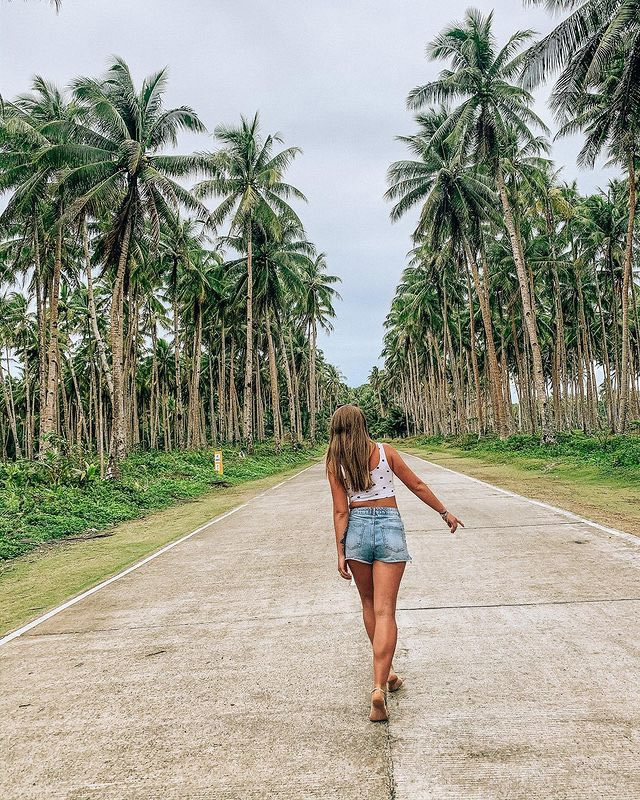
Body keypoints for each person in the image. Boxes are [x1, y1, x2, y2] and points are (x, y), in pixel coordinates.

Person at [326, 404, 464, 722]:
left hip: (357, 529)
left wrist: (340, 550)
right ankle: (379, 684)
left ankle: (385, 676)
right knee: (386, 610)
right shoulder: (386, 452)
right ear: (363, 426)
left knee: (369, 603)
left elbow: (340, 511)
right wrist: (444, 512)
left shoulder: (336, 462)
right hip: (388, 525)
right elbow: (416, 485)